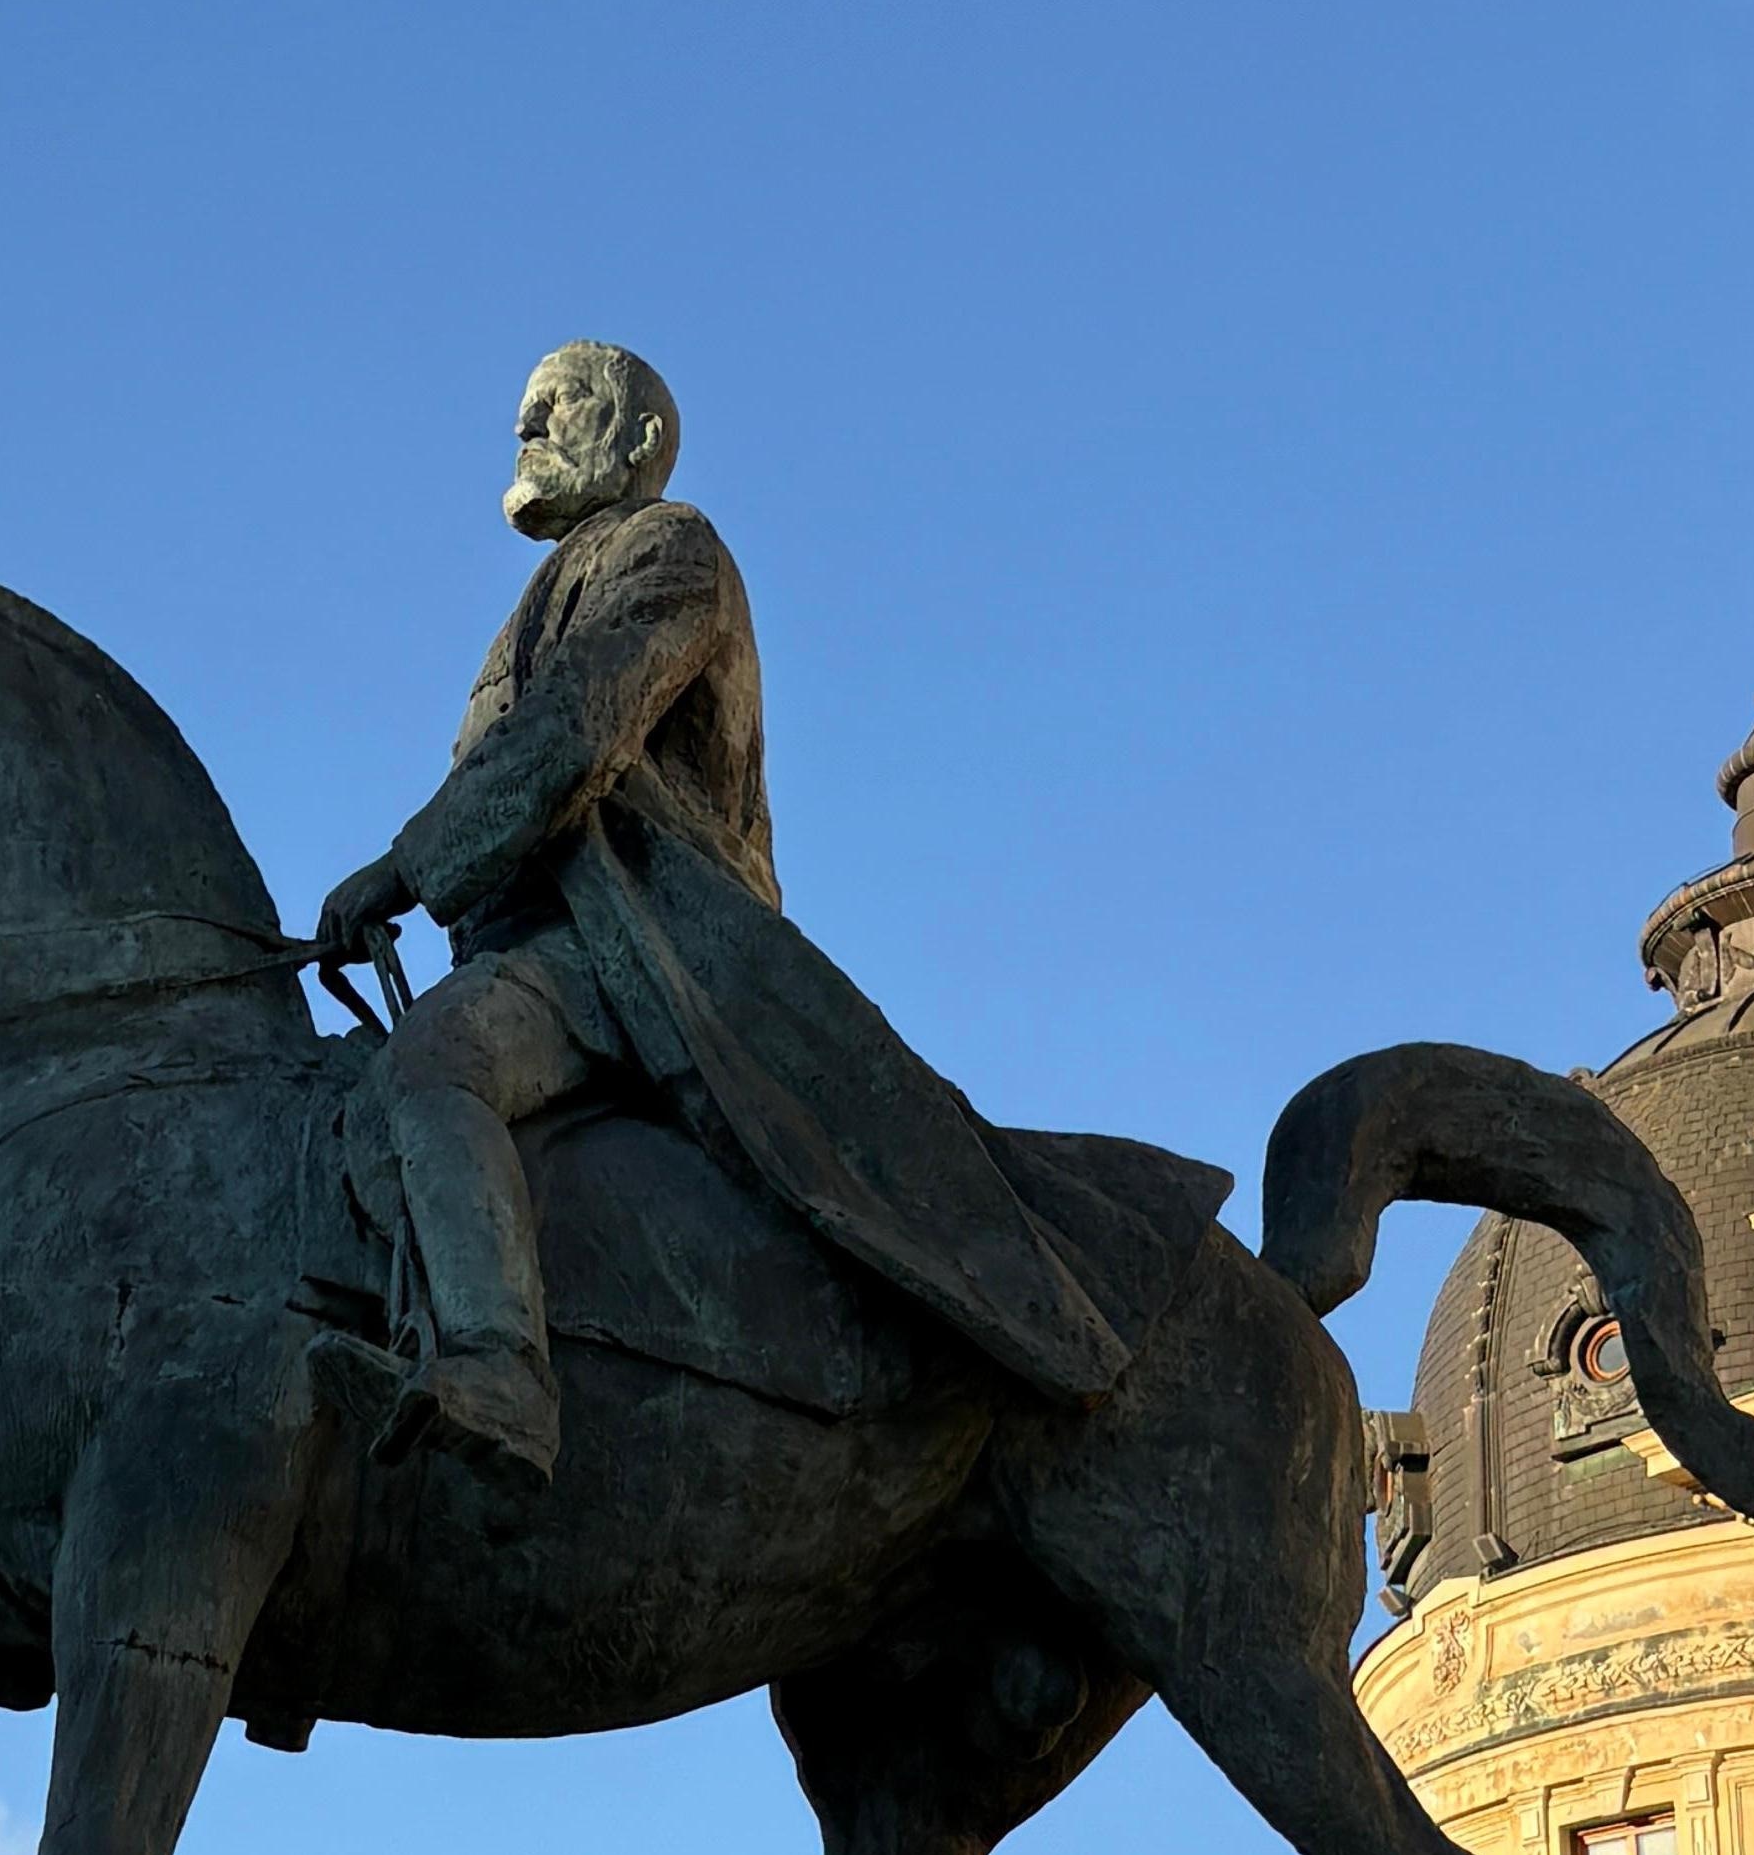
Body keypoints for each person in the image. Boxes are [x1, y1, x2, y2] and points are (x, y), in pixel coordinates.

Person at [305, 345, 1210, 1479]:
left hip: (634, 945)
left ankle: (501, 1371)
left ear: (639, 440)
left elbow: (573, 732)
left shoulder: (670, 547)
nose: (526, 426)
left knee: (434, 1068)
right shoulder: (543, 596)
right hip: (536, 944)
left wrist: (402, 869)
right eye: (523, 410)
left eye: (559, 404)